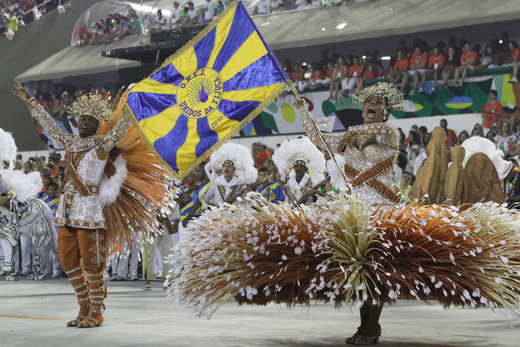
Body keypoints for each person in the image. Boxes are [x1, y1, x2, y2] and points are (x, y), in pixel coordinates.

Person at [12, 84, 131, 328]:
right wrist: (30, 101)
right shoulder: (70, 141)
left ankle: (96, 313)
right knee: (68, 263)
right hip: (66, 213)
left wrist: (132, 106)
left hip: (89, 213)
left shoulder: (103, 144)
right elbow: (50, 125)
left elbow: (121, 129)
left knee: (91, 265)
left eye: (90, 119)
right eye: (81, 118)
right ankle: (84, 308)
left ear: (98, 124)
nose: (84, 121)